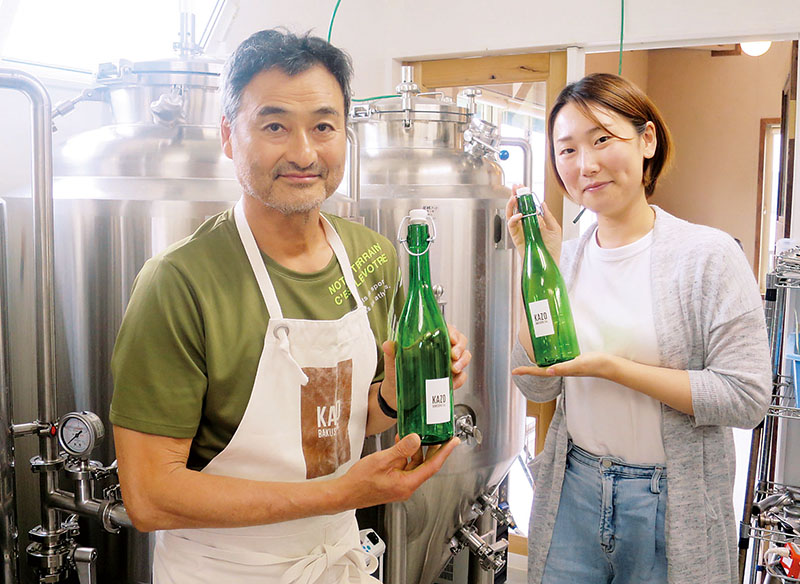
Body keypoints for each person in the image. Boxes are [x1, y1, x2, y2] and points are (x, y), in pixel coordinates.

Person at [109, 29, 471, 584]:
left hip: (339, 558)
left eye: (324, 126)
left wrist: (396, 396)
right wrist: (339, 493)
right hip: (225, 571)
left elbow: (347, 420)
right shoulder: (179, 282)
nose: (304, 153)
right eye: (274, 126)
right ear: (229, 135)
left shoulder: (371, 256)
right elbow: (149, 495)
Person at [507, 72, 771, 584]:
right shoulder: (567, 258)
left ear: (646, 140)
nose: (585, 164)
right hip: (574, 488)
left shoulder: (708, 256)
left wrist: (613, 369)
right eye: (567, 150)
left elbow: (746, 397)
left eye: (602, 139)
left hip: (669, 499)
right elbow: (536, 385)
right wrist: (537, 262)